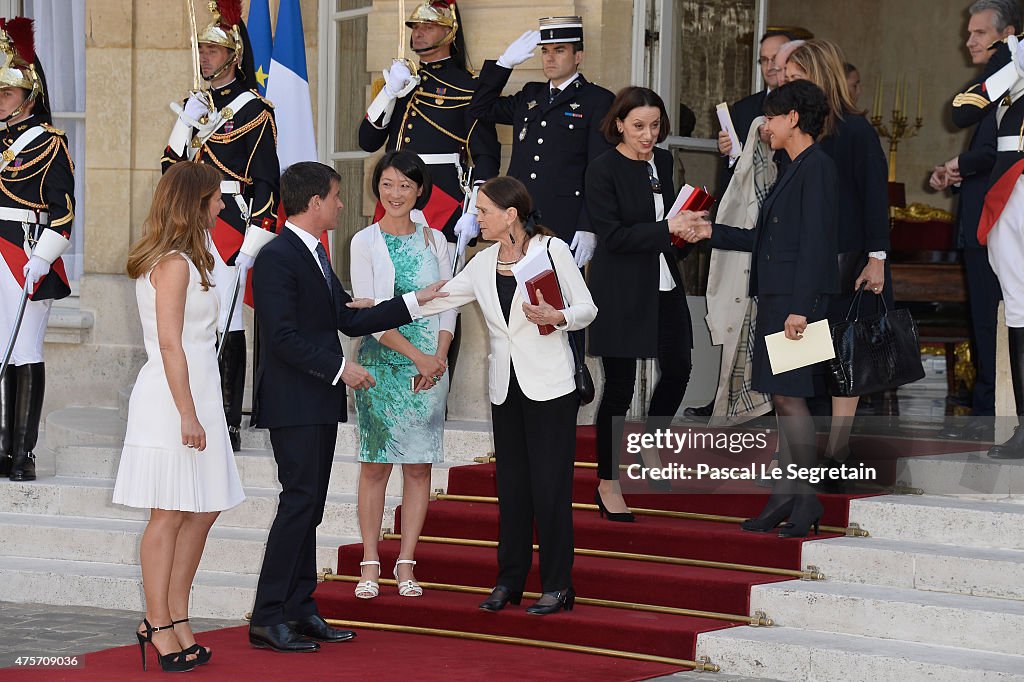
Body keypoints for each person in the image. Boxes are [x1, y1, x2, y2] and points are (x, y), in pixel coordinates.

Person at [247, 161, 448, 652]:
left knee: (310, 508)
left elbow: (345, 316)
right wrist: (342, 370)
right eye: (335, 197)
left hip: (315, 399)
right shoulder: (277, 256)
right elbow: (282, 337)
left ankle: (300, 608)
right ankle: (268, 615)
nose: (341, 204)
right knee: (298, 504)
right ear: (314, 202)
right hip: (295, 400)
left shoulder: (313, 250)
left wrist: (413, 300)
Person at [416, 175, 596, 615]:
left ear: (510, 214)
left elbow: (587, 307)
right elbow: (440, 299)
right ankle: (509, 581)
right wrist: (381, 305)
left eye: (482, 211)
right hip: (505, 387)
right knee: (512, 489)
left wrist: (559, 315)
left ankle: (558, 586)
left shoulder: (551, 251)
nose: (475, 217)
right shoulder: (481, 263)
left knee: (550, 489)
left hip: (551, 387)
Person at [684, 79, 839, 537]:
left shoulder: (818, 168)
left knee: (792, 400)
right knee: (782, 399)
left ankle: (806, 501)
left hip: (797, 306)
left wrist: (802, 309)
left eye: (771, 117)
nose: (764, 125)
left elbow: (816, 244)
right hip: (779, 300)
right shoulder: (791, 166)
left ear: (793, 119)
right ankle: (784, 498)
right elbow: (766, 241)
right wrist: (714, 232)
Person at [114, 161, 245, 672]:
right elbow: (169, 343)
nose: (222, 204)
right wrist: (188, 414)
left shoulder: (196, 257)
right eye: (215, 197)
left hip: (201, 394)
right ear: (196, 202)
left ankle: (175, 614)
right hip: (173, 400)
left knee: (204, 507)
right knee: (167, 513)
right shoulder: (172, 263)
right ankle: (158, 621)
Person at [585, 87, 708, 520]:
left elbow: (664, 227)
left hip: (663, 280)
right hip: (619, 285)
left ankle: (651, 444)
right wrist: (667, 228)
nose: (648, 134)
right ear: (619, 123)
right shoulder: (602, 168)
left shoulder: (663, 162)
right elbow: (614, 237)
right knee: (618, 387)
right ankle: (608, 482)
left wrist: (686, 231)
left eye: (655, 125)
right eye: (638, 125)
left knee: (679, 368)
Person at [161, 0, 279, 452]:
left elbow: (267, 179)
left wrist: (254, 240)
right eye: (203, 50)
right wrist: (184, 122)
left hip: (230, 223)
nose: (205, 57)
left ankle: (229, 417)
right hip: (191, 220)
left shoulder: (255, 110)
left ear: (233, 56)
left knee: (228, 322)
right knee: (194, 318)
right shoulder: (198, 105)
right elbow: (170, 168)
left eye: (213, 50)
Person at [349, 151, 455, 600]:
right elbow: (370, 313)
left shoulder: (438, 242)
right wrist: (418, 356)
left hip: (431, 366)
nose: (395, 193)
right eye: (388, 184)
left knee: (418, 466)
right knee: (375, 465)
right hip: (382, 363)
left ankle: (407, 560)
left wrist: (439, 356)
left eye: (405, 186)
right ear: (379, 188)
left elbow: (448, 302)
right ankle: (371, 559)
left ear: (419, 191)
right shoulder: (363, 241)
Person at [784, 39, 890, 465]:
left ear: (818, 76)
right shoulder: (796, 130)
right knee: (797, 359)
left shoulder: (855, 129)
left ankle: (839, 449)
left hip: (851, 261)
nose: (786, 87)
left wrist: (878, 257)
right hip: (806, 259)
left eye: (795, 79)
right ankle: (801, 451)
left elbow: (874, 199)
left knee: (847, 355)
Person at [468, 17, 614, 266]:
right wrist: (503, 64)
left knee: (555, 298)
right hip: (518, 218)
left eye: (559, 50)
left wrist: (589, 226)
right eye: (545, 51)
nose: (550, 58)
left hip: (563, 220)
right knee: (511, 292)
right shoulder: (530, 94)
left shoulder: (597, 100)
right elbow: (480, 108)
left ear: (578, 56)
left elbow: (599, 170)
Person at [932, 0, 1013, 432]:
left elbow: (999, 150)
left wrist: (962, 166)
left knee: (992, 320)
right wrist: (959, 171)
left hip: (996, 224)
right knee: (992, 321)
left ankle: (991, 413)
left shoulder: (1005, 76)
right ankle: (990, 407)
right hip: (990, 218)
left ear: (1007, 34)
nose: (969, 41)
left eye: (978, 33)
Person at [359, 0, 499, 247]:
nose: (418, 33)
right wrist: (389, 93)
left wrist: (476, 209)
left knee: (442, 283)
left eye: (429, 27)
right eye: (415, 27)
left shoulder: (469, 86)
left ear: (449, 31)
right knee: (388, 280)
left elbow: (486, 155)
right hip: (395, 198)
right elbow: (367, 141)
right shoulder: (401, 81)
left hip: (442, 201)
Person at [0, 19, 74, 482]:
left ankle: (22, 451)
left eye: (6, 93)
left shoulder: (48, 143)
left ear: (29, 96)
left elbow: (63, 213)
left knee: (24, 349)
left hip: (22, 252)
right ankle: (1, 445)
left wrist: (43, 257)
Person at [952, 24, 1024, 458]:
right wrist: (1011, 69)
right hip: (1010, 197)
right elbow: (962, 110)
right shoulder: (1010, 73)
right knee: (1018, 310)